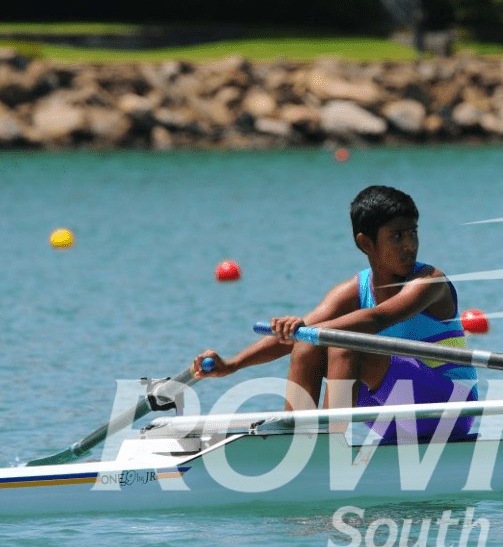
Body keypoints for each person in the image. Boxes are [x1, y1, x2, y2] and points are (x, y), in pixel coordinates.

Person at [192, 185, 479, 442]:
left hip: (450, 409)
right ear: (366, 243)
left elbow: (378, 318)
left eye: (413, 233)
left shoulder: (429, 282)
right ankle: (296, 437)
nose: (410, 245)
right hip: (395, 415)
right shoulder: (352, 290)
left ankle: (326, 444)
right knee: (307, 345)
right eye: (397, 236)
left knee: (343, 342)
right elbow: (299, 335)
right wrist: (232, 364)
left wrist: (308, 330)